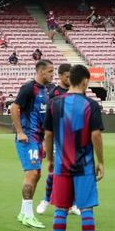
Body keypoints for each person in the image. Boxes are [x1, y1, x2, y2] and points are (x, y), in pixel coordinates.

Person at [41, 64, 106, 231]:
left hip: (61, 165)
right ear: (85, 81)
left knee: (61, 208)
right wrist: (101, 161)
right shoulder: (91, 105)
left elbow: (49, 134)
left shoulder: (54, 103)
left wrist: (50, 159)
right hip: (84, 165)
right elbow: (95, 135)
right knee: (86, 209)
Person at [10, 59, 53, 228]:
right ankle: (28, 215)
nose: (51, 74)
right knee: (32, 174)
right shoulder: (29, 88)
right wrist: (20, 132)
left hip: (38, 139)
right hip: (27, 137)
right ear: (41, 71)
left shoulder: (46, 90)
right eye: (50, 71)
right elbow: (14, 108)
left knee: (37, 174)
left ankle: (23, 213)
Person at [37, 63, 75, 216]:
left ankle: (72, 204)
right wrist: (46, 143)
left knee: (73, 172)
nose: (70, 79)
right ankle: (46, 199)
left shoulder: (77, 92)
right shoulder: (53, 93)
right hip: (57, 138)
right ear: (60, 76)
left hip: (73, 138)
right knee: (53, 171)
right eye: (67, 76)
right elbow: (48, 120)